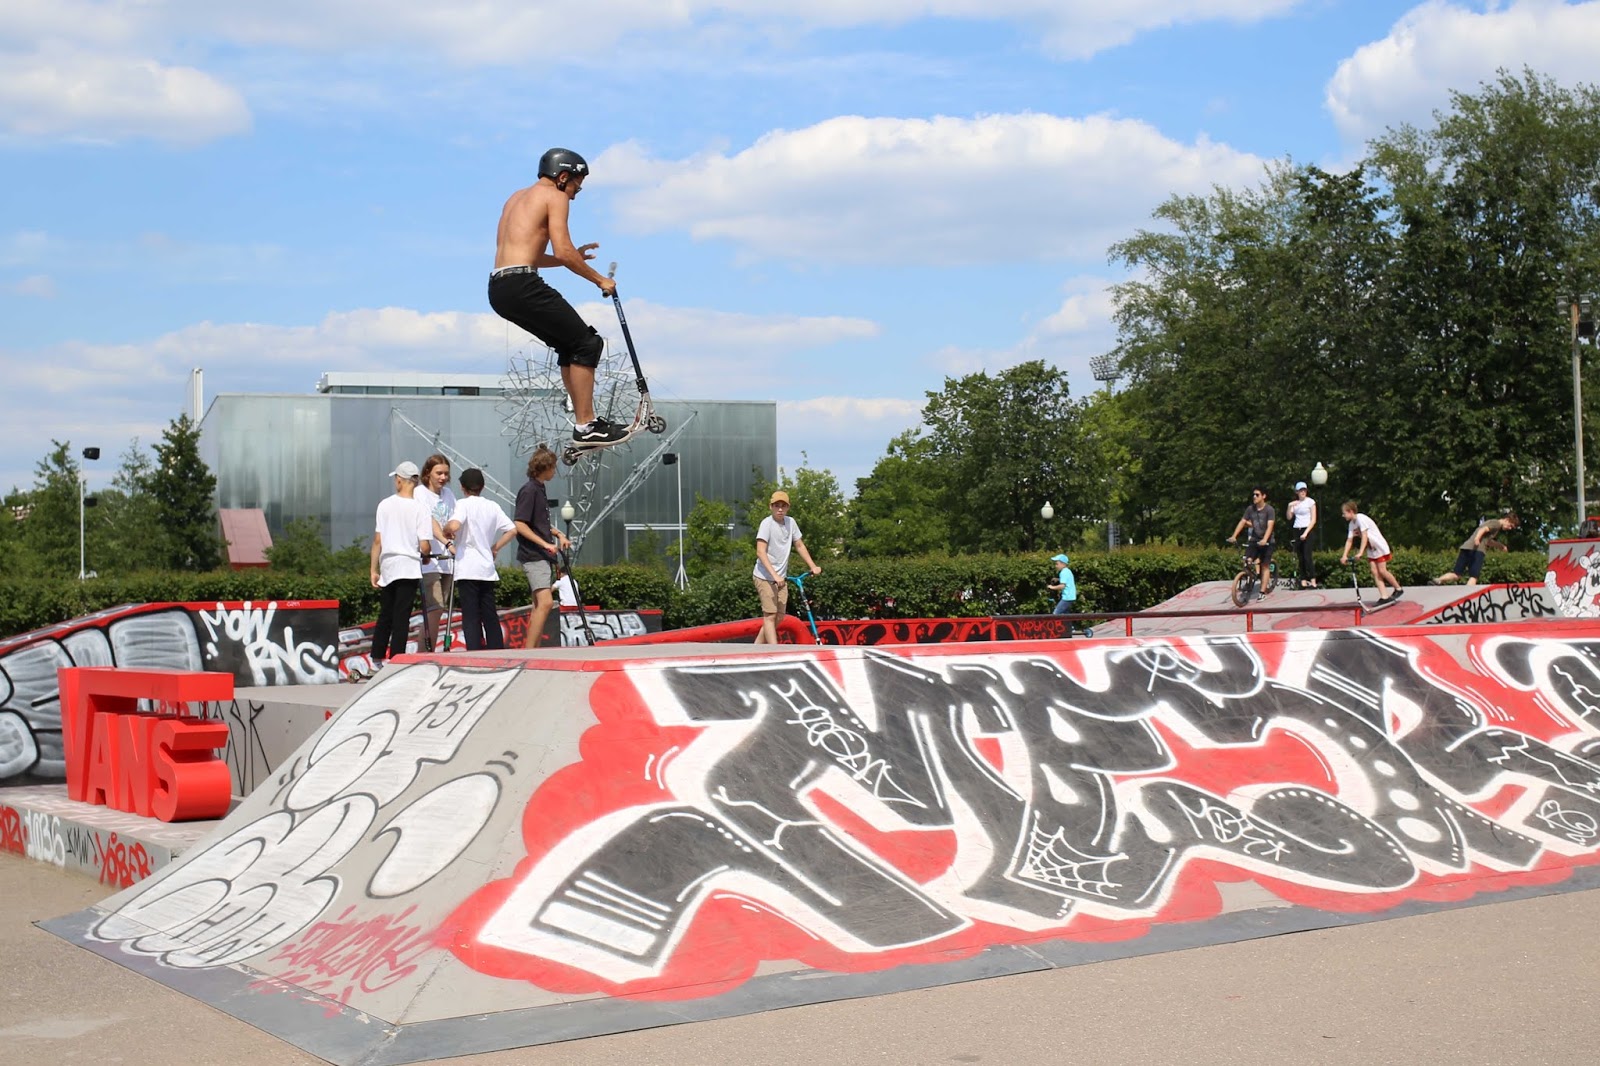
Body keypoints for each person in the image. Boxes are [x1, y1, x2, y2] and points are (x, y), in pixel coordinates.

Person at [488, 147, 626, 449]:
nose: (577, 191)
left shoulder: (516, 198)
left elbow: (536, 254)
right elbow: (562, 251)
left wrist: (571, 258)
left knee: (570, 344)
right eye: (577, 183)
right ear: (563, 177)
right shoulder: (556, 196)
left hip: (500, 288)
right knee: (588, 343)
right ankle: (587, 424)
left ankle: (584, 423)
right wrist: (600, 279)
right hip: (523, 283)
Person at [444, 468, 517, 650]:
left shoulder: (463, 504)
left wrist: (446, 528)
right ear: (482, 487)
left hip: (467, 567)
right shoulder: (492, 506)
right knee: (489, 615)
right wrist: (495, 547)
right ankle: (497, 651)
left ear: (462, 487)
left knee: (471, 616)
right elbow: (512, 529)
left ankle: (475, 652)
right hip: (486, 568)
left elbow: (455, 524)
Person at [369, 461, 432, 669]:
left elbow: (378, 540)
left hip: (388, 564)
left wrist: (373, 569)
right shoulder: (420, 509)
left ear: (399, 480)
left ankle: (376, 658)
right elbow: (424, 545)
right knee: (401, 615)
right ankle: (397, 659)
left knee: (386, 612)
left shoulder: (384, 505)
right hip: (409, 566)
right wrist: (426, 555)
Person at [512, 446, 570, 649]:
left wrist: (558, 534)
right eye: (553, 467)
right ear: (544, 467)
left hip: (540, 554)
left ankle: (532, 648)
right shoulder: (529, 490)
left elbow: (539, 523)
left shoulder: (539, 489)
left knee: (539, 605)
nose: (554, 472)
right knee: (545, 603)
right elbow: (520, 523)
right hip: (534, 555)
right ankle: (529, 651)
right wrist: (545, 543)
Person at [752, 490, 821, 644]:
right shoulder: (766, 524)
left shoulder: (791, 523)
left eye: (783, 506)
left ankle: (757, 647)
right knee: (769, 615)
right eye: (777, 506)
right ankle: (774, 651)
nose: (780, 509)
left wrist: (813, 565)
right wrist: (774, 575)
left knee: (779, 616)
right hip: (764, 576)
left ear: (788, 508)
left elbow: (799, 545)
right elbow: (760, 552)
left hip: (780, 579)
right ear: (771, 507)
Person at [415, 454, 458, 651]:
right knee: (434, 606)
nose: (442, 477)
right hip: (429, 560)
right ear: (427, 474)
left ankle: (431, 648)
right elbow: (428, 521)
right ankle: (425, 650)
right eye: (438, 473)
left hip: (448, 561)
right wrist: (445, 541)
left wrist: (452, 530)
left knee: (441, 610)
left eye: (446, 474)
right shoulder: (420, 493)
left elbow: (454, 518)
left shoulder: (448, 494)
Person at [1340, 501, 1404, 604]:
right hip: (1371, 549)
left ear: (1350, 511)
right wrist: (1344, 555)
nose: (1343, 515)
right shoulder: (1352, 524)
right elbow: (1349, 540)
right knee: (1374, 571)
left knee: (1382, 571)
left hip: (1379, 546)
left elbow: (1364, 536)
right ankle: (1384, 596)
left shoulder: (1361, 518)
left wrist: (1360, 552)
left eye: (1344, 513)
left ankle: (1398, 588)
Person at [1432, 512, 1519, 586]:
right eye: (1510, 526)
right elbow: (1483, 529)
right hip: (1478, 550)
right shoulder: (1496, 524)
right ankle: (1467, 597)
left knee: (1456, 574)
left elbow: (1488, 541)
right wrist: (1477, 538)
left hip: (1466, 547)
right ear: (1507, 520)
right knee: (1474, 576)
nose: (1509, 529)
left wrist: (1501, 546)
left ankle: (1438, 580)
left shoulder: (1491, 523)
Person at [1227, 487, 1277, 596]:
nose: (1254, 497)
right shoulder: (1250, 509)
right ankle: (1250, 580)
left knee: (1265, 565)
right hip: (1255, 539)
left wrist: (1265, 539)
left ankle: (1262, 592)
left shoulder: (1269, 510)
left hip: (1267, 541)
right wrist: (1234, 536)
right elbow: (1242, 522)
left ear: (1263, 496)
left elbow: (1270, 526)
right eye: (1253, 494)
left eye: (1257, 495)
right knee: (1247, 561)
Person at [1286, 480, 1319, 589]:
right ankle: (1303, 580)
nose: (1303, 492)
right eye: (1300, 490)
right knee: (1300, 557)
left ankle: (1313, 579)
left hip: (1307, 529)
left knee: (1307, 556)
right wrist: (1289, 506)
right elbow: (1289, 517)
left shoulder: (1310, 502)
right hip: (1297, 528)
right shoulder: (1295, 504)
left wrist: (1306, 533)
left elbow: (1313, 520)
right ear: (1297, 492)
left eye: (1304, 490)